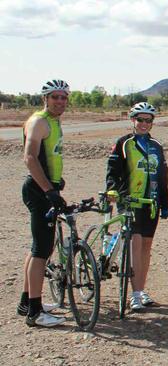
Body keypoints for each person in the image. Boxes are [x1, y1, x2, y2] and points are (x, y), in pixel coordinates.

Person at [105, 102, 168, 311]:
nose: (144, 124)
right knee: (135, 245)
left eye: (148, 120)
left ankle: (141, 290)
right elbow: (112, 171)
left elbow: (162, 176)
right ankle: (133, 295)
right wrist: (113, 189)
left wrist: (165, 202)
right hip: (129, 201)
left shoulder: (156, 146)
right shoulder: (124, 143)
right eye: (140, 119)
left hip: (150, 203)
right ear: (132, 120)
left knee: (145, 248)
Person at [19, 79, 71, 327]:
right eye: (55, 97)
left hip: (45, 187)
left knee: (39, 248)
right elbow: (29, 158)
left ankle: (27, 301)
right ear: (45, 98)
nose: (60, 101)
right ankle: (35, 313)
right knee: (42, 250)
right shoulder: (39, 121)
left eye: (63, 97)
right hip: (39, 190)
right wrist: (49, 190)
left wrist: (56, 183)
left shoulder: (53, 121)